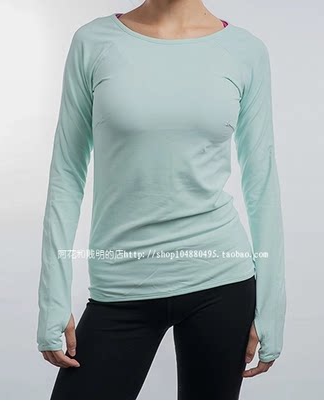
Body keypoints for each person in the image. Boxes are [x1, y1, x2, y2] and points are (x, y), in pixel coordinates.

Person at [37, 0, 287, 399]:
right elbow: (66, 174)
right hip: (120, 285)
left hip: (222, 283)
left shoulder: (245, 51)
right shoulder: (94, 42)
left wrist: (272, 304)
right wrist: (53, 298)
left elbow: (262, 182)